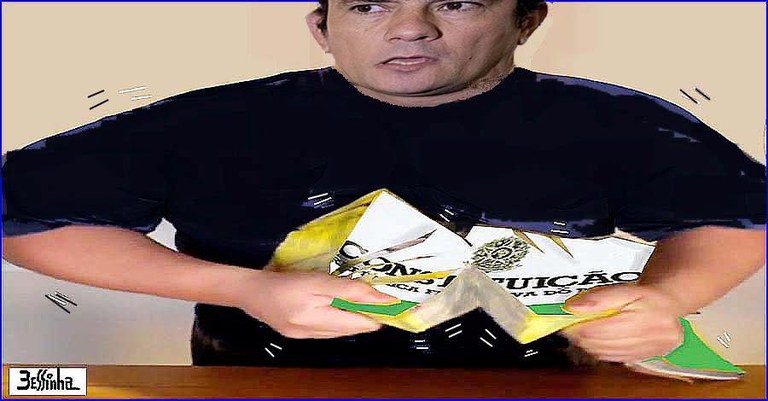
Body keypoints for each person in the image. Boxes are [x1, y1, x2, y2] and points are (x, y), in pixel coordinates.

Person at [3, 0, 765, 368]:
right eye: (369, 5)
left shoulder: (618, 121)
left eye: (457, 3)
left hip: (542, 387)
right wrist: (243, 287)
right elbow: (24, 214)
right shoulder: (215, 121)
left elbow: (737, 215)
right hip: (263, 388)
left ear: (527, 19)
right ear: (322, 26)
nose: (411, 27)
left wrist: (668, 300)